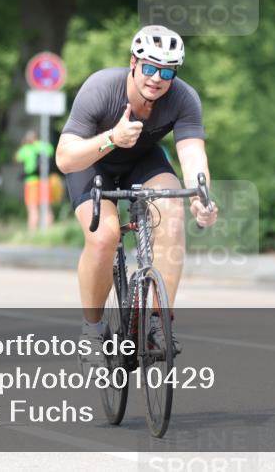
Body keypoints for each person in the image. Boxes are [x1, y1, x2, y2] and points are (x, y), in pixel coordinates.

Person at [55, 25, 218, 370]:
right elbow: (65, 157)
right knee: (104, 236)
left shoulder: (183, 98)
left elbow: (192, 155)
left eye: (167, 71)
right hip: (93, 161)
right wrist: (112, 137)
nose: (157, 78)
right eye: (149, 67)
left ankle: (157, 323)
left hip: (142, 162)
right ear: (133, 62)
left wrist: (201, 197)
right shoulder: (101, 89)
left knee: (171, 214)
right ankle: (93, 330)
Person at [15, 130, 55, 231]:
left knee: (32, 209)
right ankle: (49, 232)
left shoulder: (26, 148)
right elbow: (52, 152)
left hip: (31, 182)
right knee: (46, 208)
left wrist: (23, 145)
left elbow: (17, 158)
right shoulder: (45, 145)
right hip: (45, 181)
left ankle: (32, 233)